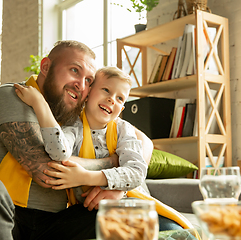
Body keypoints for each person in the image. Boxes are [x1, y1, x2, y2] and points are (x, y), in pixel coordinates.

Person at [0, 40, 154, 240]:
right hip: (3, 214)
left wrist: (119, 187)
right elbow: (46, 172)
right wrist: (113, 162)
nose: (80, 85)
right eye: (74, 70)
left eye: (89, 81)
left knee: (133, 215)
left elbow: (145, 141)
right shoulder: (14, 95)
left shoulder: (76, 114)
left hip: (52, 224)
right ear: (45, 66)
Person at [14, 66, 148, 205]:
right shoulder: (73, 124)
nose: (112, 99)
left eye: (120, 98)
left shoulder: (123, 129)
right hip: (86, 209)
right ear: (88, 93)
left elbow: (137, 173)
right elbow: (59, 153)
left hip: (132, 200)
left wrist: (86, 177)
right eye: (106, 90)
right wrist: (39, 104)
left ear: (121, 109)